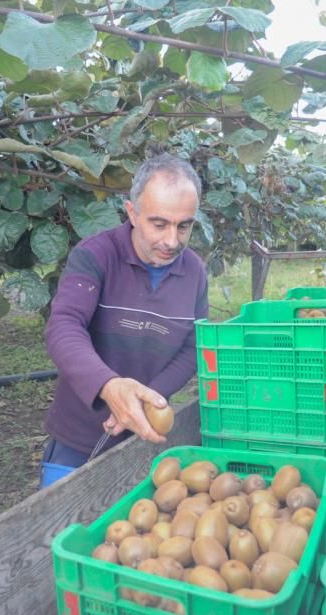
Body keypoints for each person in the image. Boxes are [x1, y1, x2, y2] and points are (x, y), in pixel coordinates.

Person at [40, 154, 208, 487]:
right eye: (159, 224)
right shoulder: (95, 256)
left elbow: (193, 346)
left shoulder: (194, 272)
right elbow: (64, 326)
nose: (172, 240)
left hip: (145, 435)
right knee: (62, 526)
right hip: (80, 435)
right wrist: (109, 387)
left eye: (184, 225)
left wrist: (149, 398)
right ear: (131, 213)